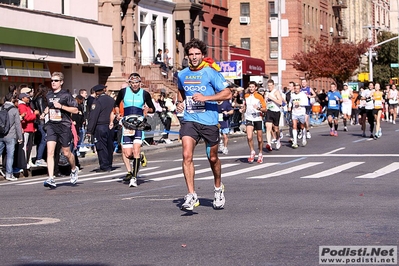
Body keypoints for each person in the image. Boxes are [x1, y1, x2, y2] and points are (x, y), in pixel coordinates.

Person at [176, 38, 232, 211]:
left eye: (197, 54)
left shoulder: (210, 72)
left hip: (209, 120)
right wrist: (179, 103)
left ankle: (218, 188)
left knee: (212, 158)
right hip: (190, 119)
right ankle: (192, 195)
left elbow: (227, 93)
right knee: (186, 155)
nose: (194, 57)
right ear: (187, 56)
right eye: (191, 54)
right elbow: (180, 91)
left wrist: (206, 98)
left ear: (202, 55)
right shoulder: (182, 74)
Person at [114, 73, 155, 187]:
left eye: (137, 83)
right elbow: (116, 104)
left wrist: (147, 110)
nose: (135, 85)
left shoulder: (145, 94)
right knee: (127, 154)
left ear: (140, 83)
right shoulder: (123, 92)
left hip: (138, 124)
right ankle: (140, 157)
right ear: (129, 83)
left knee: (136, 150)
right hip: (127, 124)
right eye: (133, 83)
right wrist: (118, 113)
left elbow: (153, 108)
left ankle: (134, 177)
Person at [41, 72, 79, 188]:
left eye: (56, 80)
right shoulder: (48, 95)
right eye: (52, 80)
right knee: (50, 152)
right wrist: (44, 112)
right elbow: (49, 106)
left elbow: (75, 110)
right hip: (52, 125)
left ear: (61, 82)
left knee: (66, 153)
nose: (53, 82)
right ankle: (51, 178)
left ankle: (73, 168)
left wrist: (61, 107)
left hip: (64, 126)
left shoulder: (66, 95)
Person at [86, 84, 115, 173]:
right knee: (109, 145)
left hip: (100, 126)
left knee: (101, 146)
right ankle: (109, 164)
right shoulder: (111, 100)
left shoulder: (97, 101)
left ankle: (104, 165)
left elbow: (93, 116)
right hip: (110, 125)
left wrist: (89, 130)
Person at [242, 81, 266, 163]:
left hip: (258, 118)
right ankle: (252, 151)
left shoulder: (259, 96)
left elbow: (265, 109)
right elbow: (245, 106)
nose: (251, 88)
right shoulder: (246, 96)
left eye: (253, 87)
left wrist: (259, 108)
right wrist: (242, 109)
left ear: (256, 88)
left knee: (259, 138)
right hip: (249, 117)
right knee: (249, 137)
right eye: (250, 87)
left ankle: (260, 153)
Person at [0, 93, 23, 181]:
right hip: (11, 135)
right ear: (13, 100)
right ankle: (9, 174)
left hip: (1, 134)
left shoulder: (1, 108)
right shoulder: (14, 110)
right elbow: (17, 124)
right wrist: (20, 137)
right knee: (10, 155)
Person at [18, 92, 39, 170]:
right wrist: (34, 114)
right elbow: (26, 117)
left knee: (29, 146)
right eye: (27, 97)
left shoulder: (28, 105)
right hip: (26, 128)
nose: (28, 99)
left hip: (30, 128)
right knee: (24, 146)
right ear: (22, 98)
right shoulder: (22, 106)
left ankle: (28, 161)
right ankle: (24, 162)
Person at [32, 84, 48, 167]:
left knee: (41, 140)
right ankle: (39, 158)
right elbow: (42, 111)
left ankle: (39, 157)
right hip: (41, 122)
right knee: (44, 139)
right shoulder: (41, 99)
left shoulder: (35, 99)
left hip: (37, 122)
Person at [264, 79, 283, 151]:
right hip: (269, 111)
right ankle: (269, 144)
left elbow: (280, 102)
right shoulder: (266, 93)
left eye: (271, 85)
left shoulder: (276, 92)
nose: (269, 87)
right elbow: (265, 102)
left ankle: (278, 139)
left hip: (276, 111)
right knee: (268, 128)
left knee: (276, 128)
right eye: (268, 86)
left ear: (273, 85)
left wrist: (272, 98)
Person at [289, 82, 308, 148]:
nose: (296, 90)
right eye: (295, 88)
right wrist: (289, 106)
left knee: (302, 126)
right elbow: (290, 102)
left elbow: (306, 103)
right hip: (294, 113)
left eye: (298, 89)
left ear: (300, 89)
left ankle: (304, 137)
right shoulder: (292, 95)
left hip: (301, 112)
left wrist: (299, 104)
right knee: (294, 126)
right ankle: (295, 142)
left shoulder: (303, 95)